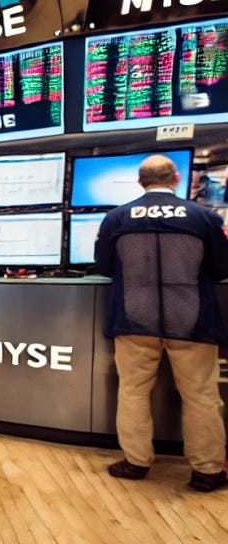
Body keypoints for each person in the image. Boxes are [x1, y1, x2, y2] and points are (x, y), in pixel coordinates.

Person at [95, 154, 228, 493]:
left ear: (140, 181)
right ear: (177, 178)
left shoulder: (116, 218)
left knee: (134, 392)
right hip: (192, 320)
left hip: (133, 319)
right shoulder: (204, 217)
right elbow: (221, 269)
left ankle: (136, 462)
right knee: (200, 395)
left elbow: (105, 267)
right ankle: (207, 470)